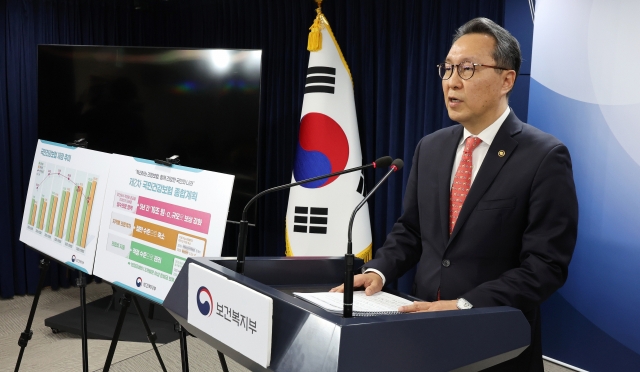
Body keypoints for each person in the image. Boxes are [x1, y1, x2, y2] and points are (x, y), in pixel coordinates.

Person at [330, 17, 578, 371]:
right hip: (420, 331)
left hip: (496, 344)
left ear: (507, 79)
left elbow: (545, 266)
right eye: (446, 70)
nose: (452, 82)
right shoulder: (430, 148)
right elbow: (412, 231)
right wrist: (380, 271)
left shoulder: (544, 157)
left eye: (467, 69)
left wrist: (465, 304)